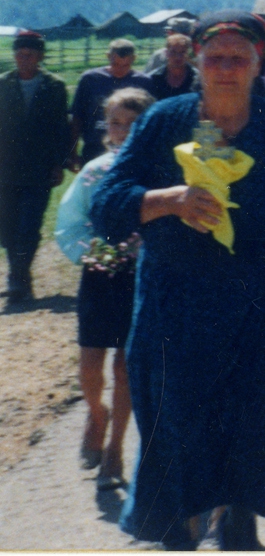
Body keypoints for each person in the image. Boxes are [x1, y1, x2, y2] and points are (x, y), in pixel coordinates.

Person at [91, 10, 265, 550]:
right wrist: (167, 200)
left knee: (249, 431)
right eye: (215, 57)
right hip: (172, 315)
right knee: (175, 434)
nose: (226, 68)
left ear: (260, 65)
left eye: (238, 59)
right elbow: (106, 207)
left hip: (256, 315)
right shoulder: (164, 122)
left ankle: (238, 528)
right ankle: (176, 534)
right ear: (197, 61)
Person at [54, 86, 154, 492]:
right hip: (99, 273)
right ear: (105, 127)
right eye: (115, 122)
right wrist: (88, 252)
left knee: (125, 366)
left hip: (140, 276)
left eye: (133, 123)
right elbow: (69, 222)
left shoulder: (157, 170)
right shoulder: (95, 170)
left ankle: (115, 449)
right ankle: (98, 413)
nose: (123, 130)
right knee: (91, 364)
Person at [0, 31, 72, 307]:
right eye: (19, 54)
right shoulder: (4, 84)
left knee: (29, 225)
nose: (23, 59)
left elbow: (61, 129)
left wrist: (60, 163)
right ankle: (19, 275)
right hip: (5, 168)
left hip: (39, 168)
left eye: (29, 54)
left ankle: (17, 278)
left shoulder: (54, 86)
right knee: (6, 227)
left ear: (40, 56)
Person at [71, 39, 151, 167]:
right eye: (115, 64)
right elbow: (77, 117)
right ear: (108, 56)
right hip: (94, 146)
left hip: (130, 146)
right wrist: (72, 152)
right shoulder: (90, 79)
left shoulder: (143, 82)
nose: (119, 70)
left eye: (125, 65)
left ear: (134, 59)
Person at [147, 33, 198, 102]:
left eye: (182, 52)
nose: (178, 57)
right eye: (173, 52)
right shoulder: (154, 77)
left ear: (188, 53)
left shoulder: (198, 78)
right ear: (166, 53)